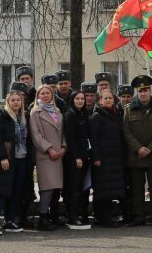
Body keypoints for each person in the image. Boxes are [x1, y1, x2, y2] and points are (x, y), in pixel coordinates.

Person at [123, 74, 152, 226]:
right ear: (137, 92)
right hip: (136, 156)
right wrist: (138, 148)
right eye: (140, 91)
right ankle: (138, 217)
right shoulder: (129, 109)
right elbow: (126, 131)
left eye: (145, 90)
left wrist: (150, 148)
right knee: (137, 188)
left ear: (150, 91)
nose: (143, 93)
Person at [0, 84, 30, 235]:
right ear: (8, 101)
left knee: (16, 191)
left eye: (18, 100)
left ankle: (9, 221)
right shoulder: (2, 116)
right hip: (6, 159)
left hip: (21, 158)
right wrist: (2, 157)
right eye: (12, 100)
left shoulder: (23, 117)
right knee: (2, 190)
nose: (16, 103)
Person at [28, 84, 66, 231]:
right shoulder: (35, 113)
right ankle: (43, 218)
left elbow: (63, 132)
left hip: (59, 155)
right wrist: (49, 149)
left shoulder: (57, 111)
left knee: (57, 188)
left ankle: (53, 216)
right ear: (38, 96)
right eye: (42, 93)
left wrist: (64, 147)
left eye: (48, 93)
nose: (45, 95)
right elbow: (36, 135)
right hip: (46, 155)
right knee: (47, 188)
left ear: (52, 95)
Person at [89, 89, 126, 228]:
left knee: (110, 190)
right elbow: (94, 138)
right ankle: (102, 218)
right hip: (103, 159)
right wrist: (96, 157)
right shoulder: (97, 116)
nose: (108, 100)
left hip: (115, 158)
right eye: (105, 98)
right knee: (102, 190)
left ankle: (108, 216)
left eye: (110, 98)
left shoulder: (117, 114)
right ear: (100, 101)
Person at [63, 90, 93, 229]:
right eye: (77, 99)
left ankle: (82, 214)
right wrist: (77, 157)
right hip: (75, 158)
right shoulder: (69, 115)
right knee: (74, 188)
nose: (80, 101)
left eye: (82, 98)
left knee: (83, 188)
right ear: (72, 100)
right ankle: (72, 217)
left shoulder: (84, 114)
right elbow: (71, 139)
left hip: (86, 156)